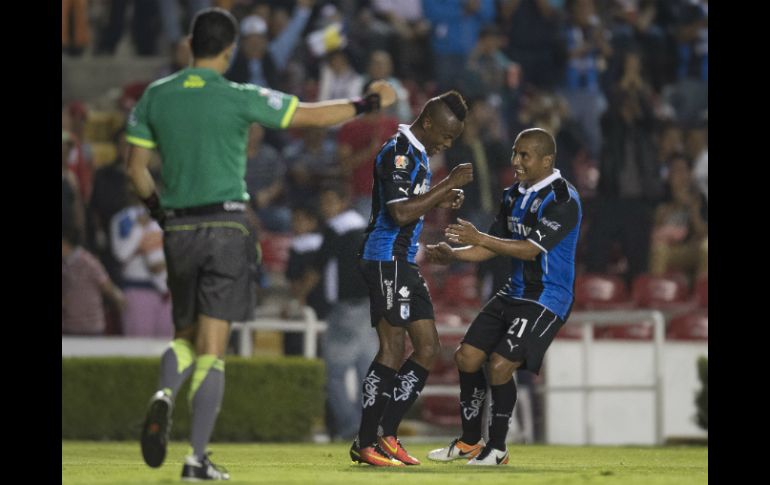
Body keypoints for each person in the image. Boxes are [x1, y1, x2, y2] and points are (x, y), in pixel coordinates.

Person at [125, 7, 396, 481]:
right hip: (226, 227)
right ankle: (196, 459)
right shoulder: (239, 94)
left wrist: (160, 211)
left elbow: (135, 170)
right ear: (229, 50)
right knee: (213, 348)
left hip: (178, 231)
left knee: (184, 337)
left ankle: (164, 394)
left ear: (190, 45)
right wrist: (368, 103)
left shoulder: (154, 97)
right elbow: (311, 115)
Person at [424, 128, 582, 465]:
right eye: (515, 153)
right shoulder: (512, 194)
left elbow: (527, 250)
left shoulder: (563, 199)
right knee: (466, 357)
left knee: (499, 366)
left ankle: (496, 449)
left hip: (547, 298)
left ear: (547, 159)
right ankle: (469, 442)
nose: (515, 161)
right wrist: (454, 254)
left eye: (524, 155)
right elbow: (489, 247)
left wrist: (479, 236)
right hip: (515, 291)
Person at [350, 90, 473, 467]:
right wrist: (446, 185)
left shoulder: (419, 154)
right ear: (430, 122)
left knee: (428, 348)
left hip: (405, 261)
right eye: (447, 136)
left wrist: (440, 196)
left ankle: (387, 434)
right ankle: (365, 440)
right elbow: (400, 213)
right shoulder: (398, 151)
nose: (447, 144)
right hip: (385, 257)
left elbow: (415, 203)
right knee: (392, 348)